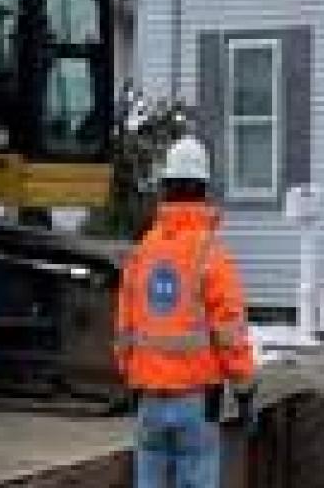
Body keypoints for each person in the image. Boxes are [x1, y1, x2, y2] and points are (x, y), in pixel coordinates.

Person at [116, 136, 257, 488]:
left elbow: (124, 330)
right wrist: (244, 391)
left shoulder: (143, 252)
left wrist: (131, 377)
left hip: (148, 399)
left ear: (165, 188)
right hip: (197, 401)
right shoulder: (212, 255)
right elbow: (230, 334)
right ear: (204, 190)